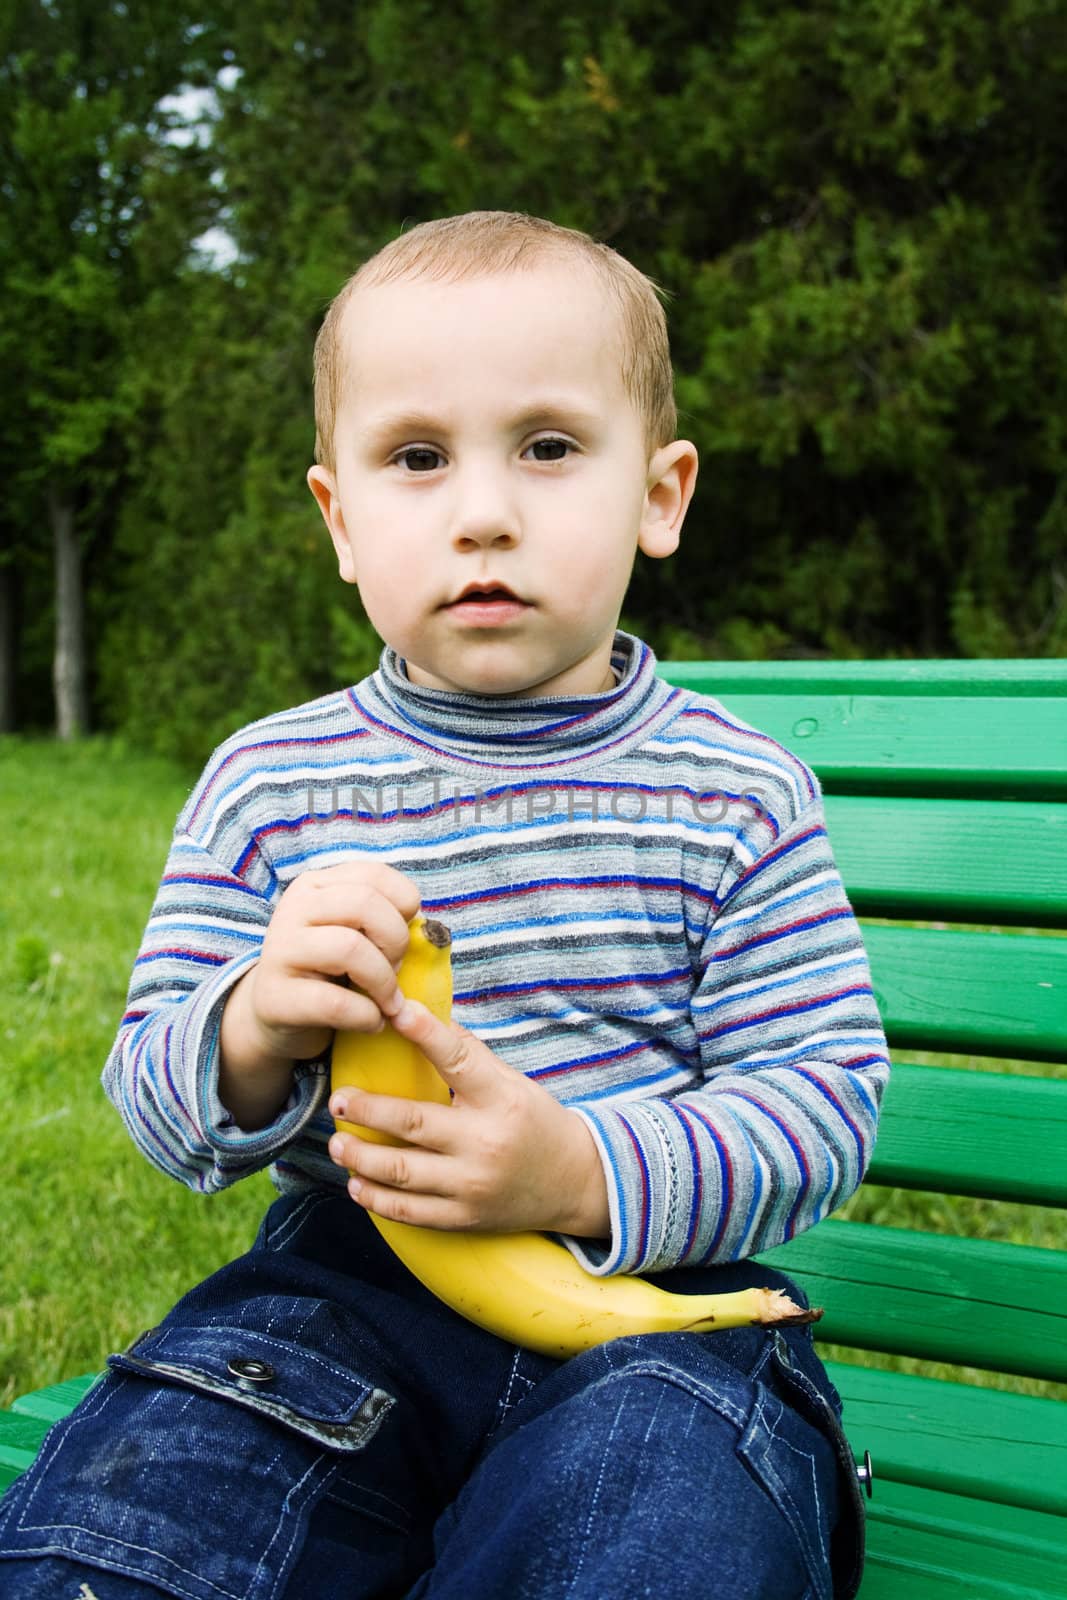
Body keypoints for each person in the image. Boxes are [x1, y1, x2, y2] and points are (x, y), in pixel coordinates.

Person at [0, 211, 889, 1599]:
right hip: (334, 1305)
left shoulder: (734, 792)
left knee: (661, 1542)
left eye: (547, 446)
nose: (482, 509)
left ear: (660, 497)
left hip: (657, 1322)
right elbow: (156, 1099)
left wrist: (580, 1170)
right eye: (417, 459)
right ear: (341, 520)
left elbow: (820, 1099)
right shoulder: (271, 784)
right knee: (133, 1535)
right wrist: (246, 1029)